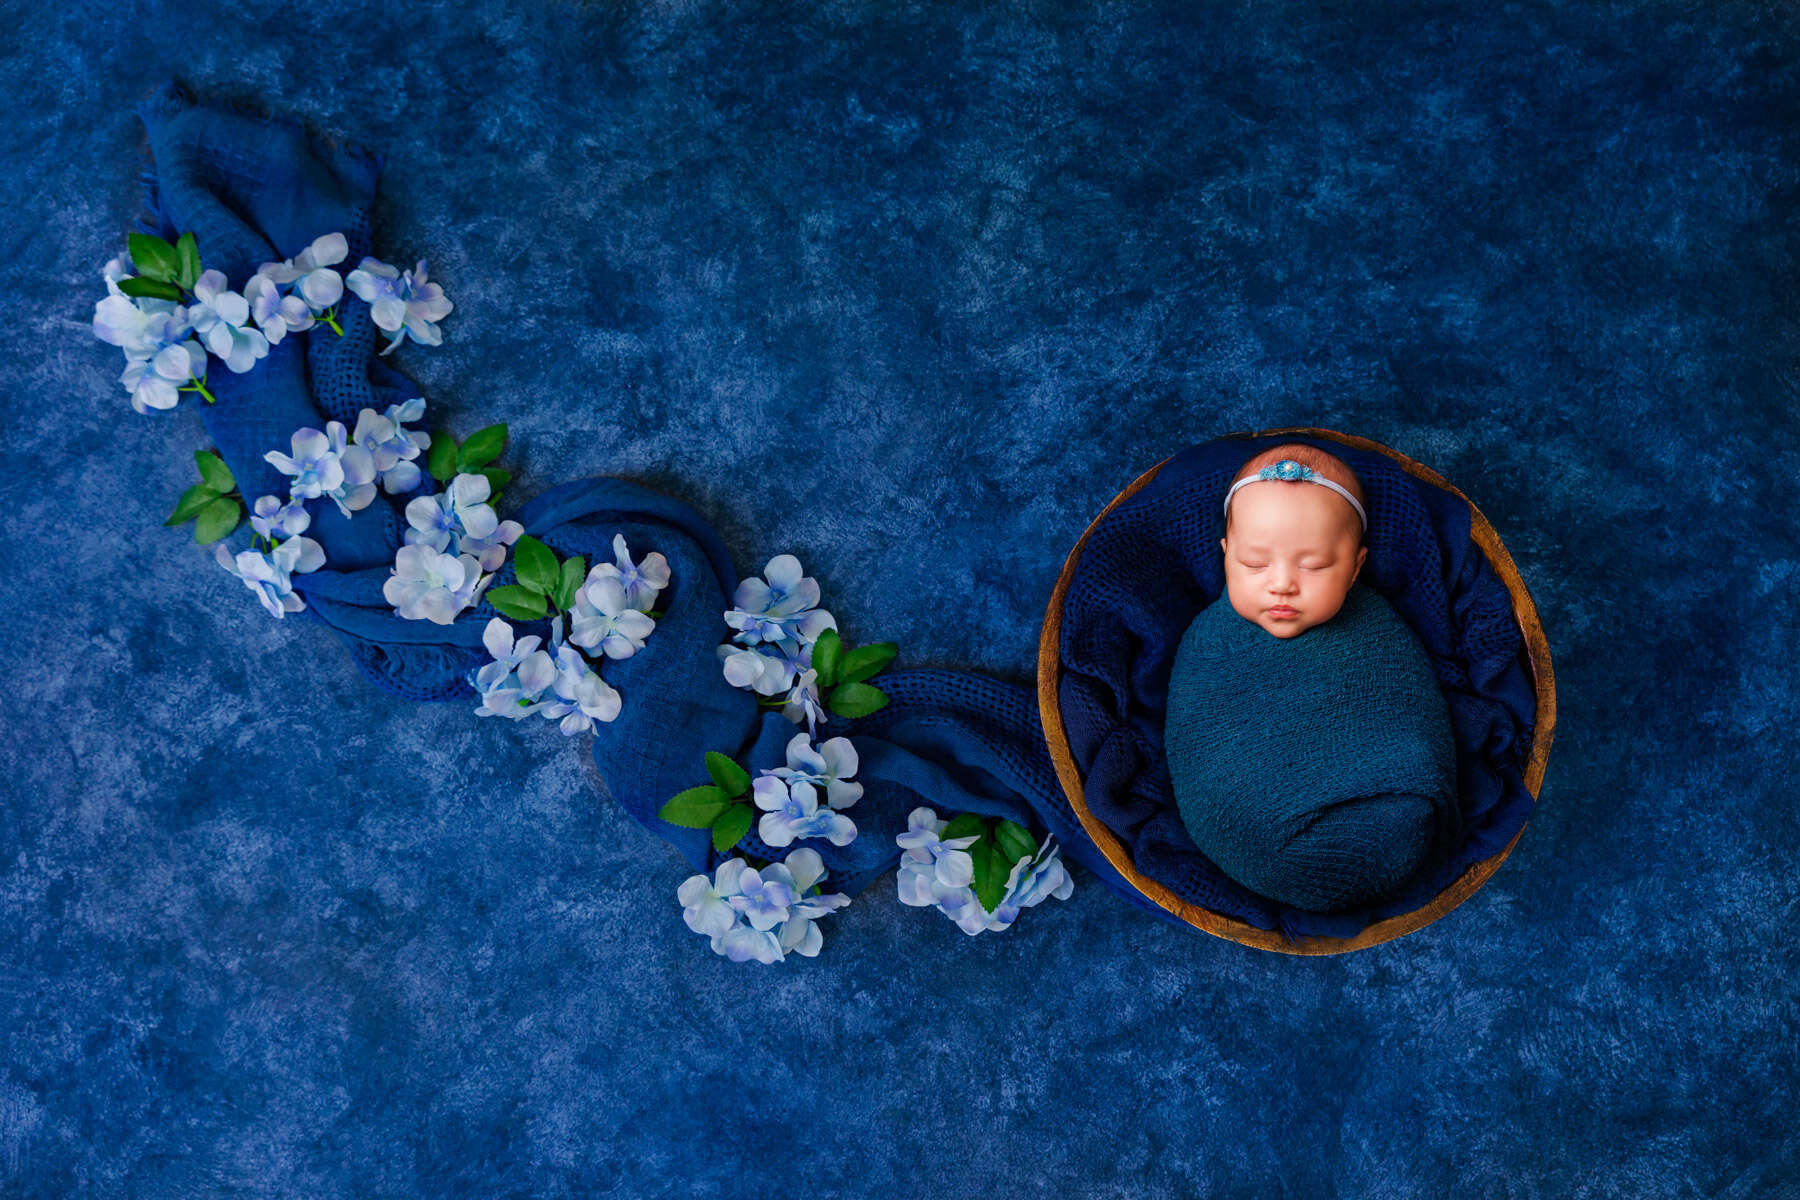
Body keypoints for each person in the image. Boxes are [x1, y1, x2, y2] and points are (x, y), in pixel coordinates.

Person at [1218, 443, 1369, 638]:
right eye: (1254, 563)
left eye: (1313, 566)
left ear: (1355, 567)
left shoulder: (1382, 638)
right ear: (1226, 557)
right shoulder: (1205, 638)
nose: (1282, 585)